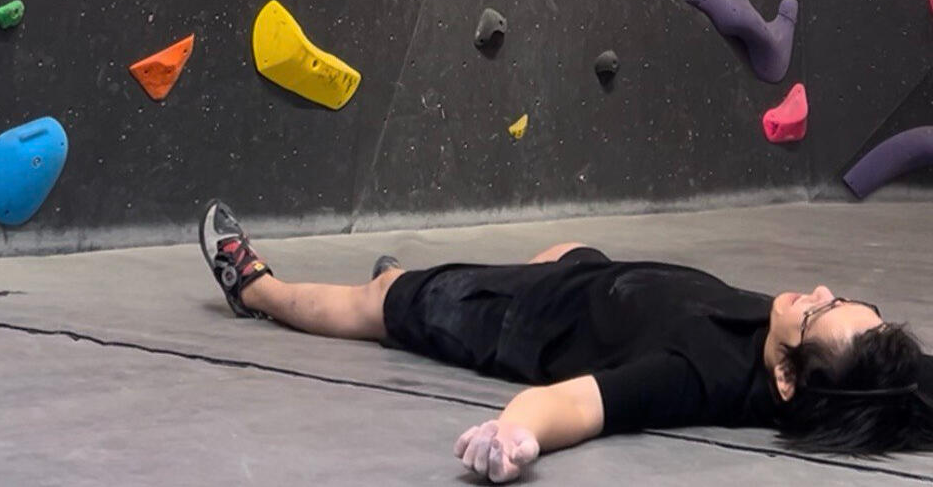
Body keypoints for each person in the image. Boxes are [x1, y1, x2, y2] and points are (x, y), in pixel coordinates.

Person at [198, 200, 933, 484]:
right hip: (595, 279)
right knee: (570, 247)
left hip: (520, 318)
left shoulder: (693, 375)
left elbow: (574, 405)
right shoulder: (877, 376)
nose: (819, 295)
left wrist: (513, 435)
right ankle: (416, 283)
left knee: (378, 305)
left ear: (786, 383)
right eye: (845, 302)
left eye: (818, 314)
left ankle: (257, 290)